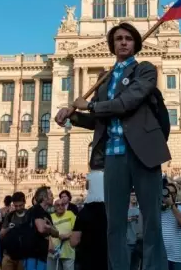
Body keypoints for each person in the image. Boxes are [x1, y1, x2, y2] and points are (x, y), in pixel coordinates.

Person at [55, 22, 171, 270]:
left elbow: (128, 102)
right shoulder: (103, 80)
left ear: (136, 43)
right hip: (113, 155)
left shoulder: (146, 71)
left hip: (143, 153)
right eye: (118, 38)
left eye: (129, 38)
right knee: (114, 224)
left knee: (151, 222)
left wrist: (92, 106)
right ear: (112, 45)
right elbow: (98, 121)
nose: (123, 42)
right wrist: (72, 115)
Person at [70, 170, 108, 270]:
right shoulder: (111, 211)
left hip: (87, 261)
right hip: (107, 260)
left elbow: (74, 241)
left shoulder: (83, 213)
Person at [24, 186, 60, 270]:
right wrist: (50, 228)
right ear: (44, 198)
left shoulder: (46, 214)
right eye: (51, 195)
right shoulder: (36, 210)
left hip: (42, 255)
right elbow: (41, 229)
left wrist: (49, 227)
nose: (53, 197)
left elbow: (57, 233)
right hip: (32, 255)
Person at [161, 182, 181, 270]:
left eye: (172, 193)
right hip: (160, 257)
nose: (169, 195)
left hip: (177, 257)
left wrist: (172, 205)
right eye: (167, 192)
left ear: (175, 195)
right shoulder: (157, 210)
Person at [1, 191, 27, 270]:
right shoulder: (10, 216)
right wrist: (9, 228)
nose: (18, 208)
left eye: (20, 205)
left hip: (24, 255)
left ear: (24, 202)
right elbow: (1, 234)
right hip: (8, 255)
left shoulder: (30, 215)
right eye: (16, 206)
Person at [127, 189, 142, 270]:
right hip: (127, 243)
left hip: (138, 243)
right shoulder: (124, 210)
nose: (134, 197)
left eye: (135, 195)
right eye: (132, 195)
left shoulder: (140, 210)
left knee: (135, 266)